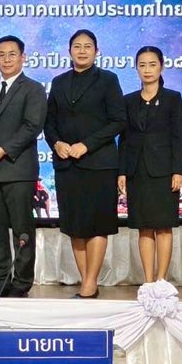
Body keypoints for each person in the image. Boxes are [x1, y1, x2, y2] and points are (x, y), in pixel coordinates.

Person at [44, 29, 125, 299]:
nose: (82, 51)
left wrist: (86, 145)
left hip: (99, 164)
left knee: (97, 224)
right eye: (77, 46)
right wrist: (57, 143)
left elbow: (118, 121)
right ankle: (86, 281)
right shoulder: (58, 82)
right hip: (67, 166)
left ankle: (90, 283)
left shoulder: (108, 80)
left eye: (87, 46)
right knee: (75, 226)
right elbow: (49, 122)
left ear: (96, 51)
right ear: (69, 51)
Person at [0, 35, 47, 298]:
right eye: (1, 55)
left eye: (12, 54)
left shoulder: (33, 89)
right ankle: (0, 281)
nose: (6, 59)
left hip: (18, 170)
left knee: (22, 231)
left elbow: (32, 126)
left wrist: (3, 150)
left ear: (23, 57)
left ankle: (22, 283)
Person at [118, 46, 182, 284]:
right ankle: (148, 281)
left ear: (162, 67)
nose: (147, 70)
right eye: (142, 65)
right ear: (136, 68)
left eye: (152, 64)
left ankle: (161, 281)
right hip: (137, 171)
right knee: (144, 227)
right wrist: (122, 172)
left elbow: (180, 137)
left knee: (164, 227)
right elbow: (124, 139)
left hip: (164, 172)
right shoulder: (128, 101)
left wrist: (179, 170)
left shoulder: (173, 99)